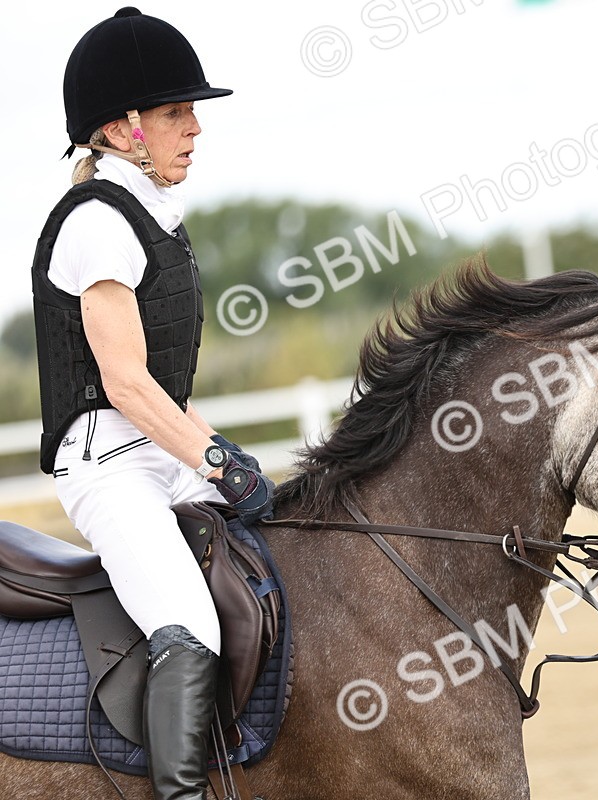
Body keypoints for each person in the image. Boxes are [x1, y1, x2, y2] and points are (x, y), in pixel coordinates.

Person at [31, 8, 275, 799]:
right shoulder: (98, 223)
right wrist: (215, 461)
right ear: (122, 128)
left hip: (161, 451)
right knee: (190, 626)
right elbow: (126, 385)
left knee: (284, 550)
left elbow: (169, 392)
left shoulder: (154, 216)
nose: (195, 128)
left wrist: (229, 457)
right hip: (109, 467)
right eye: (176, 112)